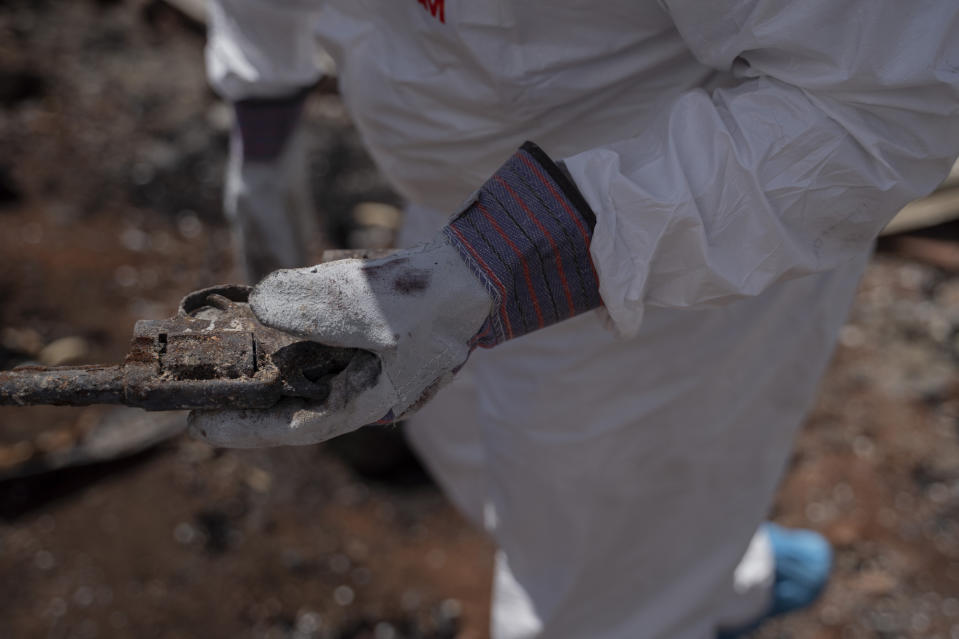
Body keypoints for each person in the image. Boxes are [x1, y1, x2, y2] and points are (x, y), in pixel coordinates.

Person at [192, 1, 959, 637]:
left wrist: (510, 251)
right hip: (446, 220)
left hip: (678, 252)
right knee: (485, 453)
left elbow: (882, 98)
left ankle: (692, 587)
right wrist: (263, 116)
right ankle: (710, 568)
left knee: (610, 581)